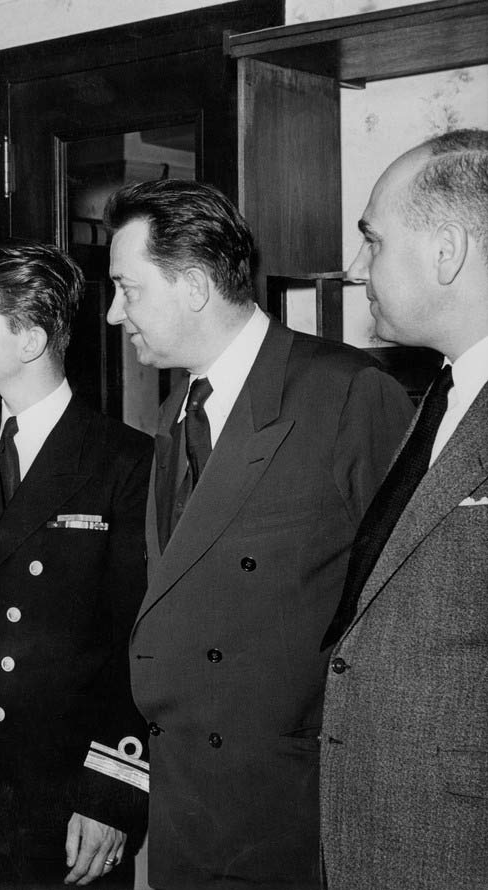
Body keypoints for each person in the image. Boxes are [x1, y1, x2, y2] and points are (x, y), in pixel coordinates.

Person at [103, 179, 414, 889]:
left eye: (127, 289)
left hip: (292, 815)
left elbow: (402, 619)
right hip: (187, 812)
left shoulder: (346, 393)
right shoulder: (173, 415)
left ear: (192, 286)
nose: (116, 313)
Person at [0, 238, 151, 888]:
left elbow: (136, 642)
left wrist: (112, 790)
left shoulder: (124, 461)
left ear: (32, 339)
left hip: (67, 793)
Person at [320, 128, 488, 889]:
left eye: (374, 241)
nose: (357, 269)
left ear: (446, 252)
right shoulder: (439, 397)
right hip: (384, 834)